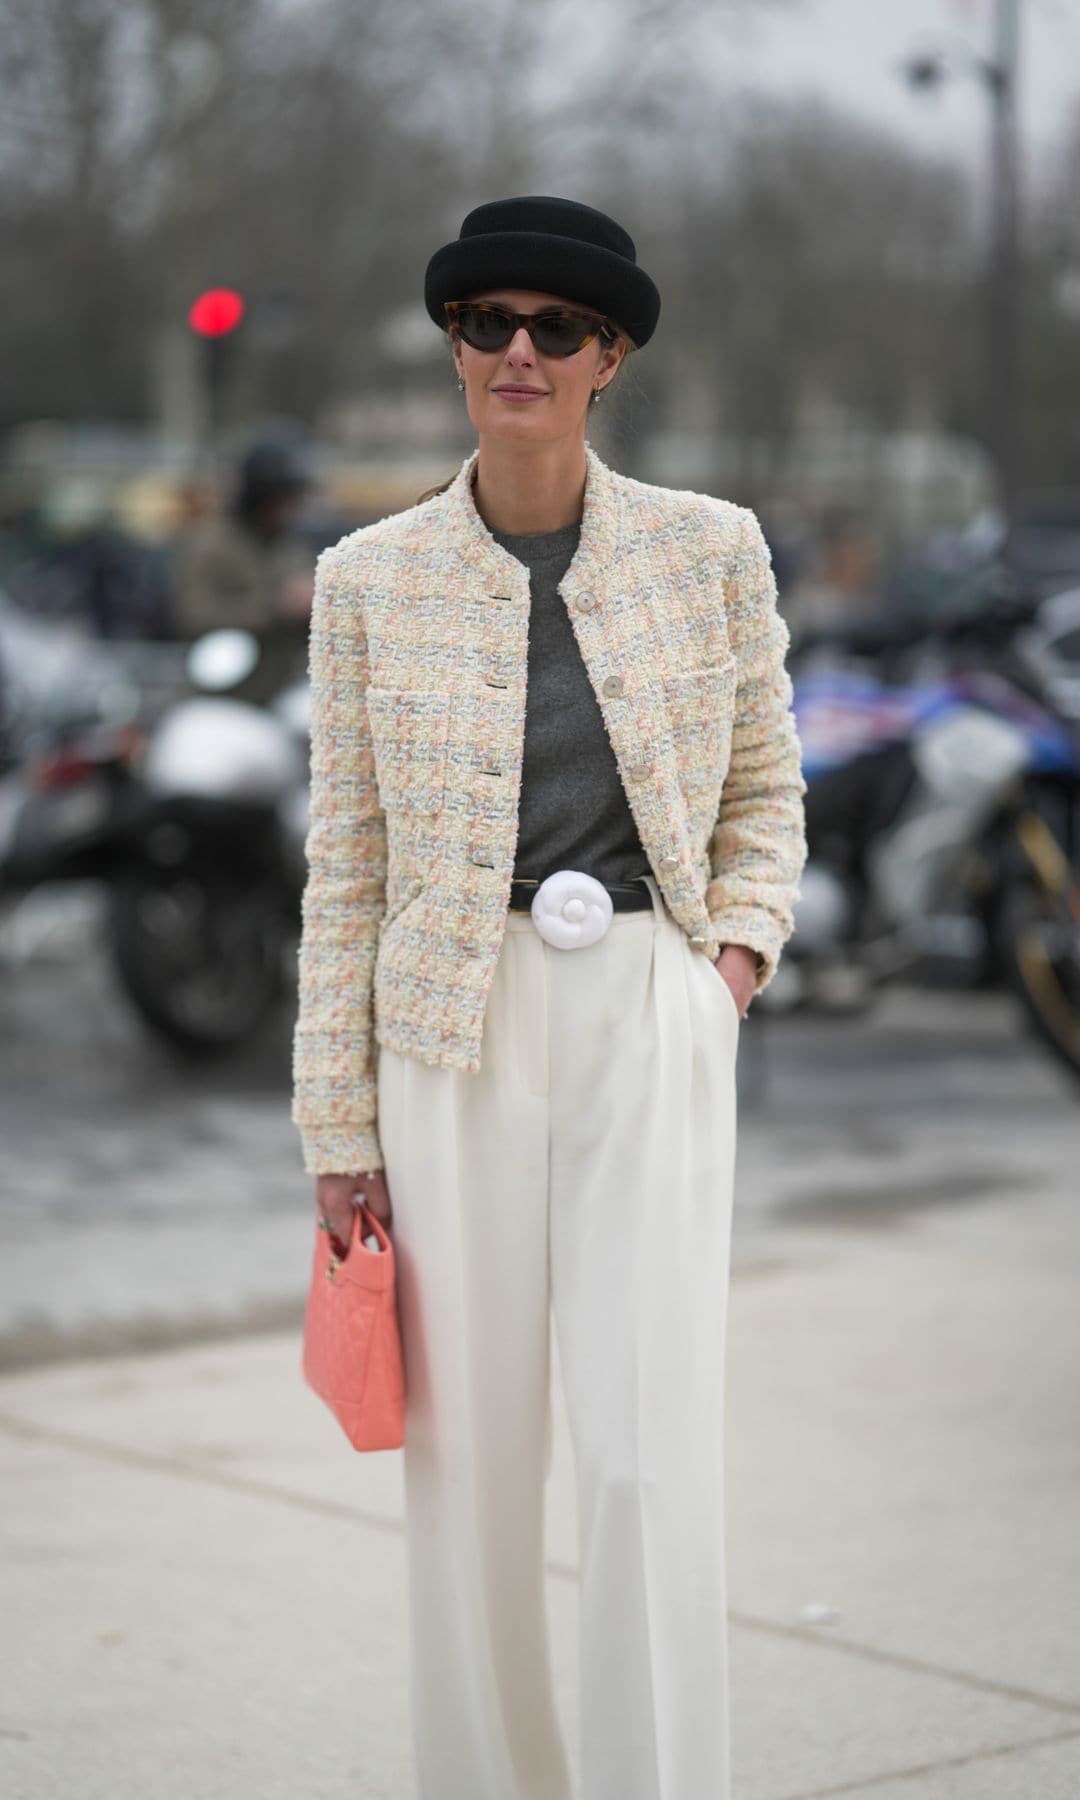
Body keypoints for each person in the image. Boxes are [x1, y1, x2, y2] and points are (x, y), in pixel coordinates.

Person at [291, 195, 807, 1800]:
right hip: (447, 1029)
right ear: (456, 349)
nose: (519, 351)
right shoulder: (366, 579)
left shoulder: (709, 550)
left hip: (649, 1005)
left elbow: (767, 796)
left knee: (651, 1454)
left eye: (557, 329)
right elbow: (348, 867)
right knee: (472, 1471)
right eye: (488, 323)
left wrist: (725, 968)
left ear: (611, 360)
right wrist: (337, 1119)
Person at [170, 438, 315, 693]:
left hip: (284, 684)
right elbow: (194, 615)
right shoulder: (213, 545)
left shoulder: (288, 547)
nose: (291, 510)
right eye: (282, 499)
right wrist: (276, 607)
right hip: (225, 691)